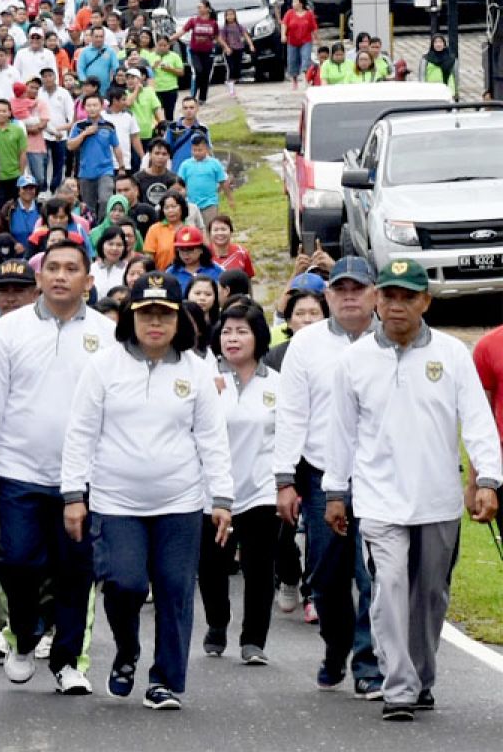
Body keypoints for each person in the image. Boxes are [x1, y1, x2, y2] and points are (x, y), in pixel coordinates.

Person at [323, 259, 501, 720]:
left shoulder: (451, 353)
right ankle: (398, 685)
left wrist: (487, 481)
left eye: (407, 297)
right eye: (389, 296)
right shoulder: (354, 360)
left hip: (437, 498)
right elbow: (340, 432)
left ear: (426, 301)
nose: (396, 306)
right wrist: (335, 492)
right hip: (379, 499)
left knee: (430, 595)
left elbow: (478, 422)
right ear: (376, 300)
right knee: (390, 586)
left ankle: (421, 676)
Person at [61, 272, 233, 710]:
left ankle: (164, 680)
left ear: (179, 320)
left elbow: (212, 438)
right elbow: (80, 433)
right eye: (145, 314)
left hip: (179, 501)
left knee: (175, 589)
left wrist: (222, 499)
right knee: (124, 584)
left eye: (164, 314)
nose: (155, 322)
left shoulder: (196, 371)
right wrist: (73, 496)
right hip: (116, 502)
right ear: (131, 319)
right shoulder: (104, 367)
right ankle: (126, 650)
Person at [0, 241, 117, 694]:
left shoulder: (107, 333)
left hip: (85, 477)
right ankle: (23, 634)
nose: (60, 276)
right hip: (19, 471)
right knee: (17, 560)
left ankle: (68, 661)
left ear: (88, 281)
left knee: (75, 570)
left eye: (71, 269)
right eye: (52, 268)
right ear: (39, 278)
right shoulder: (9, 330)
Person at [274, 256, 384, 699]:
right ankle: (336, 646)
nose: (350, 297)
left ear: (375, 294)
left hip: (380, 479)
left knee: (373, 574)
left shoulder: (392, 339)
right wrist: (285, 479)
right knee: (326, 576)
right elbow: (292, 413)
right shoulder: (307, 344)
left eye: (359, 289)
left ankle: (368, 661)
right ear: (328, 297)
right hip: (322, 478)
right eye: (340, 290)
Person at [198, 300, 280, 665]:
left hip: (261, 489)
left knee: (260, 567)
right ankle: (217, 623)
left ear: (258, 336)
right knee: (212, 566)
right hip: (213, 492)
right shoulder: (203, 379)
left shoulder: (278, 384)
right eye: (227, 331)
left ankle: (254, 640)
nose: (233, 339)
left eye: (241, 331)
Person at [66, 93, 123, 222]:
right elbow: (70, 146)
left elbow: (116, 146)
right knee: (88, 205)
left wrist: (121, 166)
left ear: (101, 106)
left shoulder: (109, 125)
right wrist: (85, 134)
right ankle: (91, 227)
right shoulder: (79, 126)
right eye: (89, 105)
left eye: (95, 105)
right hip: (86, 172)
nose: (92, 108)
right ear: (84, 108)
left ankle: (103, 223)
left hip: (105, 170)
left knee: (105, 199)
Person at [177, 135, 234, 223]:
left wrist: (230, 199)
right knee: (192, 230)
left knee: (210, 227)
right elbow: (179, 184)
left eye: (200, 150)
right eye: (194, 150)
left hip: (210, 203)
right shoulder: (185, 165)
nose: (196, 153)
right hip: (191, 203)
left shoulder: (215, 163)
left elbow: (223, 182)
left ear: (207, 149)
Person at [171, 0, 219, 104]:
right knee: (199, 71)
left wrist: (224, 46)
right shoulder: (193, 21)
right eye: (198, 7)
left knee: (206, 74)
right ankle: (193, 95)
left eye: (201, 7)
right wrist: (171, 39)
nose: (199, 9)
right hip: (195, 51)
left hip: (208, 52)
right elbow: (182, 31)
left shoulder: (213, 23)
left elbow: (216, 37)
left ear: (207, 9)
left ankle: (202, 98)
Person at [0, 100, 28, 208]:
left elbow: (22, 153)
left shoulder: (18, 130)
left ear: (9, 112)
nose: (1, 114)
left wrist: (21, 175)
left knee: (15, 208)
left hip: (14, 176)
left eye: (4, 111)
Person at [166, 226, 224, 291]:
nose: (185, 254)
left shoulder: (217, 271)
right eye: (181, 249)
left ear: (201, 249)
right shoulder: (171, 273)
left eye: (190, 249)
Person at [281, 0, 317, 91]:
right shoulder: (289, 13)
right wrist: (283, 35)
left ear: (300, 3)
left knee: (306, 59)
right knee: (292, 61)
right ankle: (294, 81)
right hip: (292, 41)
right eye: (293, 1)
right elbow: (284, 24)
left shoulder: (309, 14)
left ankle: (307, 79)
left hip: (306, 41)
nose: (293, 4)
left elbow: (314, 28)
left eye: (295, 1)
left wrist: (318, 40)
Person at [218, 9, 253, 97]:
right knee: (231, 67)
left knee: (238, 68)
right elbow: (221, 39)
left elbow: (245, 35)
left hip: (239, 49)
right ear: (225, 17)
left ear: (235, 16)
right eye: (228, 15)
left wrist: (251, 45)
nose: (230, 17)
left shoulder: (239, 26)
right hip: (229, 50)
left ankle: (232, 82)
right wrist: (226, 47)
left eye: (231, 14)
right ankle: (231, 87)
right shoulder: (224, 28)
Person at [92, 225, 130, 293]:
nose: (114, 248)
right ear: (102, 245)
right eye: (110, 244)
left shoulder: (129, 269)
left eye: (119, 245)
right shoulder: (92, 269)